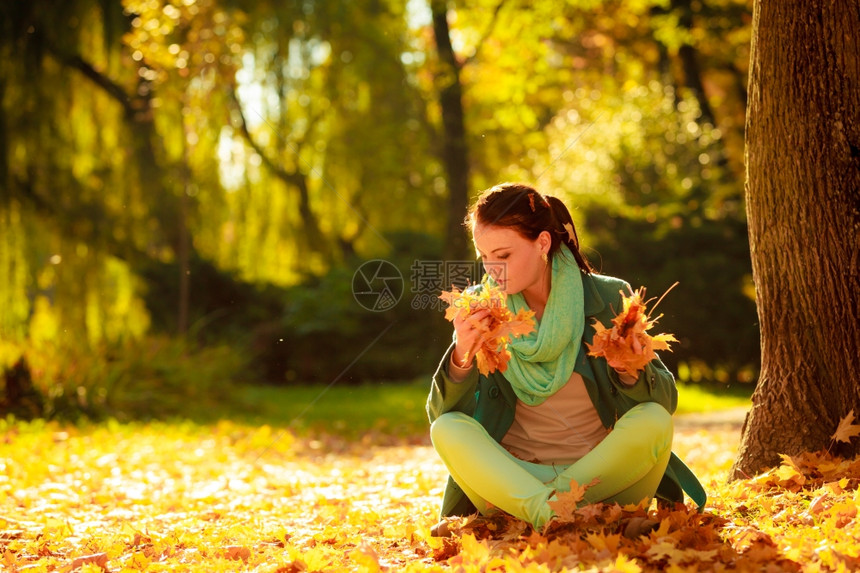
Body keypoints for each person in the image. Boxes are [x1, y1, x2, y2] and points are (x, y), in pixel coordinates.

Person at [427, 182, 705, 535]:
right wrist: (462, 355)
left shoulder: (607, 296)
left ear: (542, 242)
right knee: (447, 429)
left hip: (603, 478)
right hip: (516, 480)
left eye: (505, 255)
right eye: (484, 256)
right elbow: (443, 415)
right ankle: (561, 517)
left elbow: (665, 401)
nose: (493, 269)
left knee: (654, 420)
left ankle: (539, 518)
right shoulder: (481, 306)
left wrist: (631, 373)